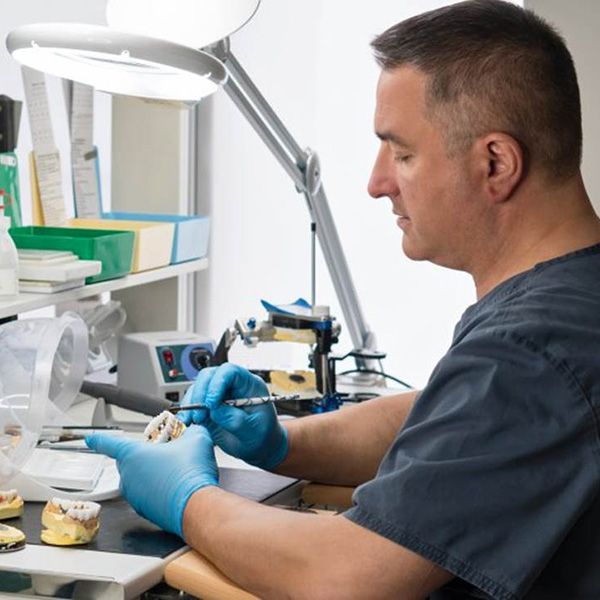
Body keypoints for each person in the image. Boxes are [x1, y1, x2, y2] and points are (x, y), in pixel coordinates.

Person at [87, 1, 600, 597]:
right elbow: (449, 422)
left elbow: (344, 578)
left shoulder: (532, 349)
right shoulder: (568, 301)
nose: (377, 183)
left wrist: (187, 499)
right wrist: (281, 440)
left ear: (496, 163)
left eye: (403, 153)